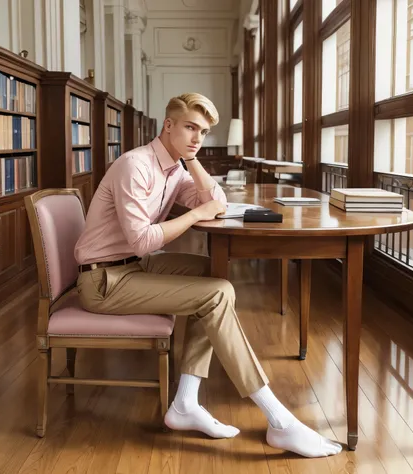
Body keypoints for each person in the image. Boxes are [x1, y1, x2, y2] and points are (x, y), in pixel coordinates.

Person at [74, 93, 342, 458]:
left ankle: (185, 402)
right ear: (167, 125)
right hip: (103, 282)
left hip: (130, 267)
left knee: (215, 276)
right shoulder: (135, 166)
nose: (197, 137)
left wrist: (193, 161)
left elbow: (214, 197)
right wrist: (195, 215)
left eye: (202, 131)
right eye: (189, 128)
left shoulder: (172, 168)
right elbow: (142, 238)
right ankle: (278, 419)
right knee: (213, 295)